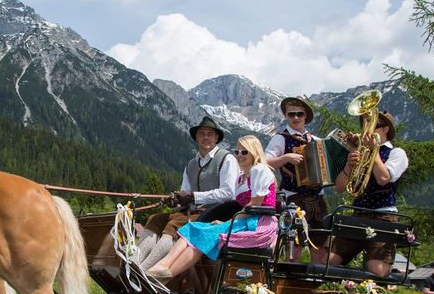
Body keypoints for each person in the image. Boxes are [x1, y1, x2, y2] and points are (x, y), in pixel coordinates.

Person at [147, 135, 277, 279]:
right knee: (191, 228)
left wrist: (228, 222)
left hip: (258, 224)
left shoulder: (259, 170)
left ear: (254, 152)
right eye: (237, 152)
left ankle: (166, 275)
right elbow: (236, 205)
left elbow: (254, 205)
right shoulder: (241, 178)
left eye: (244, 152)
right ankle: (163, 267)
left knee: (204, 235)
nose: (239, 155)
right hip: (244, 221)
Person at [138, 116, 239, 270]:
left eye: (210, 134)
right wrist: (175, 200)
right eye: (202, 134)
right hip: (191, 212)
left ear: (216, 138)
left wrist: (194, 196)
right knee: (155, 219)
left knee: (174, 224)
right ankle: (134, 263)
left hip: (216, 213)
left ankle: (145, 270)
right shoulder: (191, 164)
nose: (206, 137)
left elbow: (228, 192)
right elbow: (184, 193)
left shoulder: (227, 158)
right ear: (196, 138)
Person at [328, 111, 408, 277]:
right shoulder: (359, 151)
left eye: (374, 126)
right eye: (365, 126)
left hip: (383, 216)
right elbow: (340, 187)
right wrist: (349, 166)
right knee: (328, 261)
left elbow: (383, 178)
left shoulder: (397, 153)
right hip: (358, 214)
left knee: (377, 270)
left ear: (386, 129)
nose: (368, 130)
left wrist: (374, 151)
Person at [265, 97, 328, 263]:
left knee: (320, 247)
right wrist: (286, 157)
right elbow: (264, 162)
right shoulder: (280, 138)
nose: (295, 117)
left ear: (305, 116)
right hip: (293, 198)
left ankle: (314, 278)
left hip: (318, 199)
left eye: (299, 114)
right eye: (291, 114)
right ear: (286, 116)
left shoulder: (317, 141)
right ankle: (290, 278)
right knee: (293, 246)